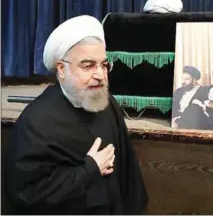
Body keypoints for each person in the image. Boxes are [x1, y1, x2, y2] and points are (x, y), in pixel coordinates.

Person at [4, 15, 148, 214]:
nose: (100, 75)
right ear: (62, 69)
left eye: (104, 65)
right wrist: (89, 170)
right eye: (88, 65)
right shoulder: (36, 123)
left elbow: (128, 175)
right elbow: (27, 194)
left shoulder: (106, 102)